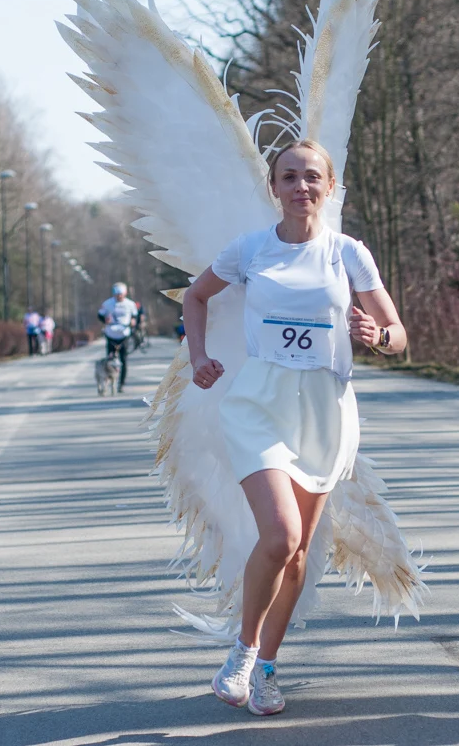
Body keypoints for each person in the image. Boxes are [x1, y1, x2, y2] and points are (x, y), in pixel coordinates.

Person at [183, 139, 407, 716]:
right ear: (273, 187)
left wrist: (376, 338)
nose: (301, 187)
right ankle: (243, 651)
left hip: (325, 409)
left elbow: (398, 334)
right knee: (280, 535)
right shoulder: (250, 249)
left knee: (300, 549)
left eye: (312, 177)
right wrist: (199, 356)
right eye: (289, 177)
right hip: (261, 401)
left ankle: (268, 670)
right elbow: (196, 296)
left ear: (328, 188)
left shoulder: (347, 254)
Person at [98, 282, 139, 390]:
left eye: (121, 294)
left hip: (123, 334)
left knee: (123, 359)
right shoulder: (107, 303)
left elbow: (135, 315)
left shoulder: (130, 304)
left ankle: (121, 383)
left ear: (124, 293)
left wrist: (133, 321)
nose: (119, 296)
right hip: (111, 334)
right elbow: (100, 314)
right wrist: (104, 320)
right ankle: (109, 380)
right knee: (109, 359)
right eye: (116, 294)